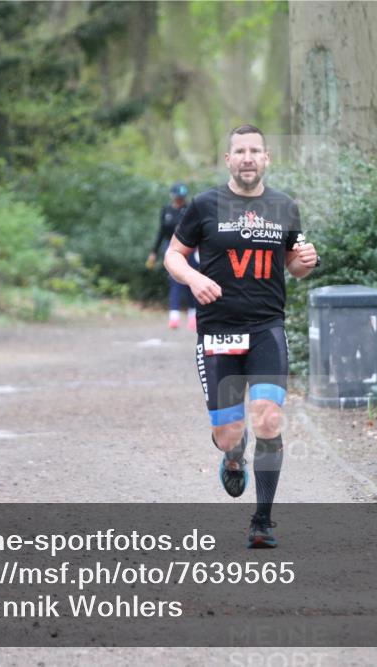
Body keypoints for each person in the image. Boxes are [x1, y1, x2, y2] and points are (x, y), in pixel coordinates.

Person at [164, 125, 319, 548]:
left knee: (269, 418)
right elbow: (173, 255)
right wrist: (194, 279)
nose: (248, 157)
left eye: (255, 151)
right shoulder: (203, 205)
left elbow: (294, 263)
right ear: (228, 160)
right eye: (240, 151)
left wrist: (307, 260)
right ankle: (234, 455)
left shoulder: (285, 206)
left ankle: (262, 521)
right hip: (218, 331)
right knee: (229, 433)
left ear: (266, 158)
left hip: (267, 327)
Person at [147, 182, 198, 330]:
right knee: (175, 281)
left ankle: (193, 315)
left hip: (189, 248)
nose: (179, 200)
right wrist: (154, 252)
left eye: (182, 198)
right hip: (171, 249)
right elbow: (161, 232)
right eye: (177, 197)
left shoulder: (190, 209)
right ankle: (174, 316)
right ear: (172, 196)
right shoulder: (166, 210)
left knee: (190, 281)